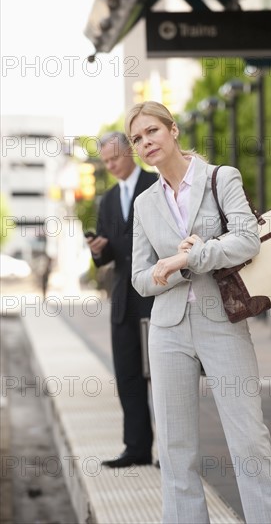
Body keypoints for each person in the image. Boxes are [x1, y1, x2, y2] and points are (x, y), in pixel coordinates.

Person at [125, 101, 271, 524]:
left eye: (152, 131)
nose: (146, 142)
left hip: (222, 323)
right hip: (167, 331)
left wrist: (191, 257)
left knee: (249, 441)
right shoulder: (146, 204)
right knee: (175, 448)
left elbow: (246, 241)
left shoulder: (221, 178)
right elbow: (140, 278)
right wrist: (170, 269)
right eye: (136, 139)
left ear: (173, 130)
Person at [86, 131, 157, 468]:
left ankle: (172, 451)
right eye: (105, 161)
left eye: (115, 157)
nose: (111, 165)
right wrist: (98, 251)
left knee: (164, 378)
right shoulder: (108, 200)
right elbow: (108, 257)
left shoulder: (158, 185)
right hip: (123, 301)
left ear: (130, 152)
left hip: (157, 297)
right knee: (128, 375)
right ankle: (137, 448)